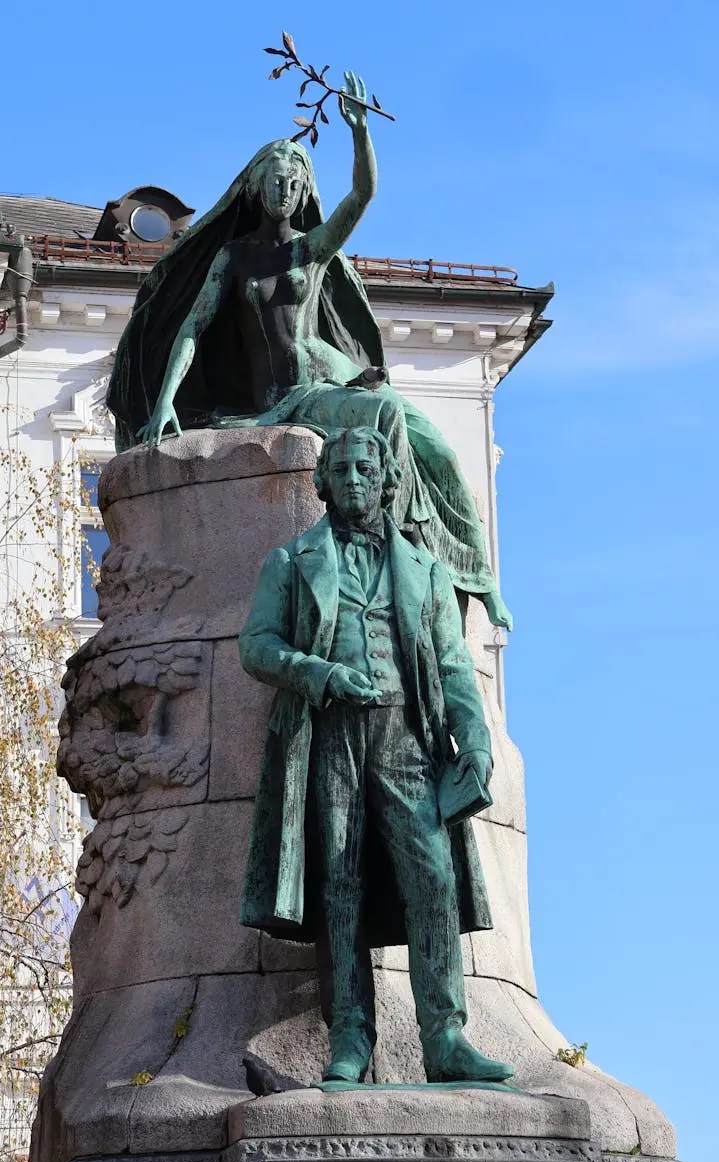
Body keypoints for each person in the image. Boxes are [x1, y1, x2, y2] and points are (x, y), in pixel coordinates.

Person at [106, 71, 512, 630]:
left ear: (302, 191)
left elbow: (363, 195)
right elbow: (194, 329)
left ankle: (480, 577)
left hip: (338, 379)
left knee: (439, 452)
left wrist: (360, 131)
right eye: (273, 179)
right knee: (387, 416)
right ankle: (384, 543)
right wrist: (165, 401)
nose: (283, 189)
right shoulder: (233, 259)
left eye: (292, 182)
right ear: (254, 187)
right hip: (294, 396)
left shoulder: (312, 250)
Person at [238, 425, 513, 1085]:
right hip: (330, 734)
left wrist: (472, 741)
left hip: (406, 739)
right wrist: (319, 674)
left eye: (366, 470)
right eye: (342, 471)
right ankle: (350, 1041)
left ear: (387, 481)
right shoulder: (290, 561)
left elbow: (452, 667)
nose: (355, 482)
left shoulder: (424, 570)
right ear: (322, 483)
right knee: (339, 888)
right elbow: (257, 647)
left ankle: (445, 1040)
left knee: (434, 885)